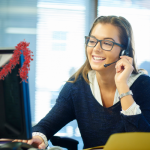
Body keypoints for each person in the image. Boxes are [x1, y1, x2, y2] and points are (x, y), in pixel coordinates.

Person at [13, 16, 150, 149]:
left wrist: (122, 86)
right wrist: (38, 137)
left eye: (107, 43)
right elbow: (46, 125)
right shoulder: (77, 86)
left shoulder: (144, 86)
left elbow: (142, 143)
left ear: (123, 51)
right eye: (92, 41)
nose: (96, 48)